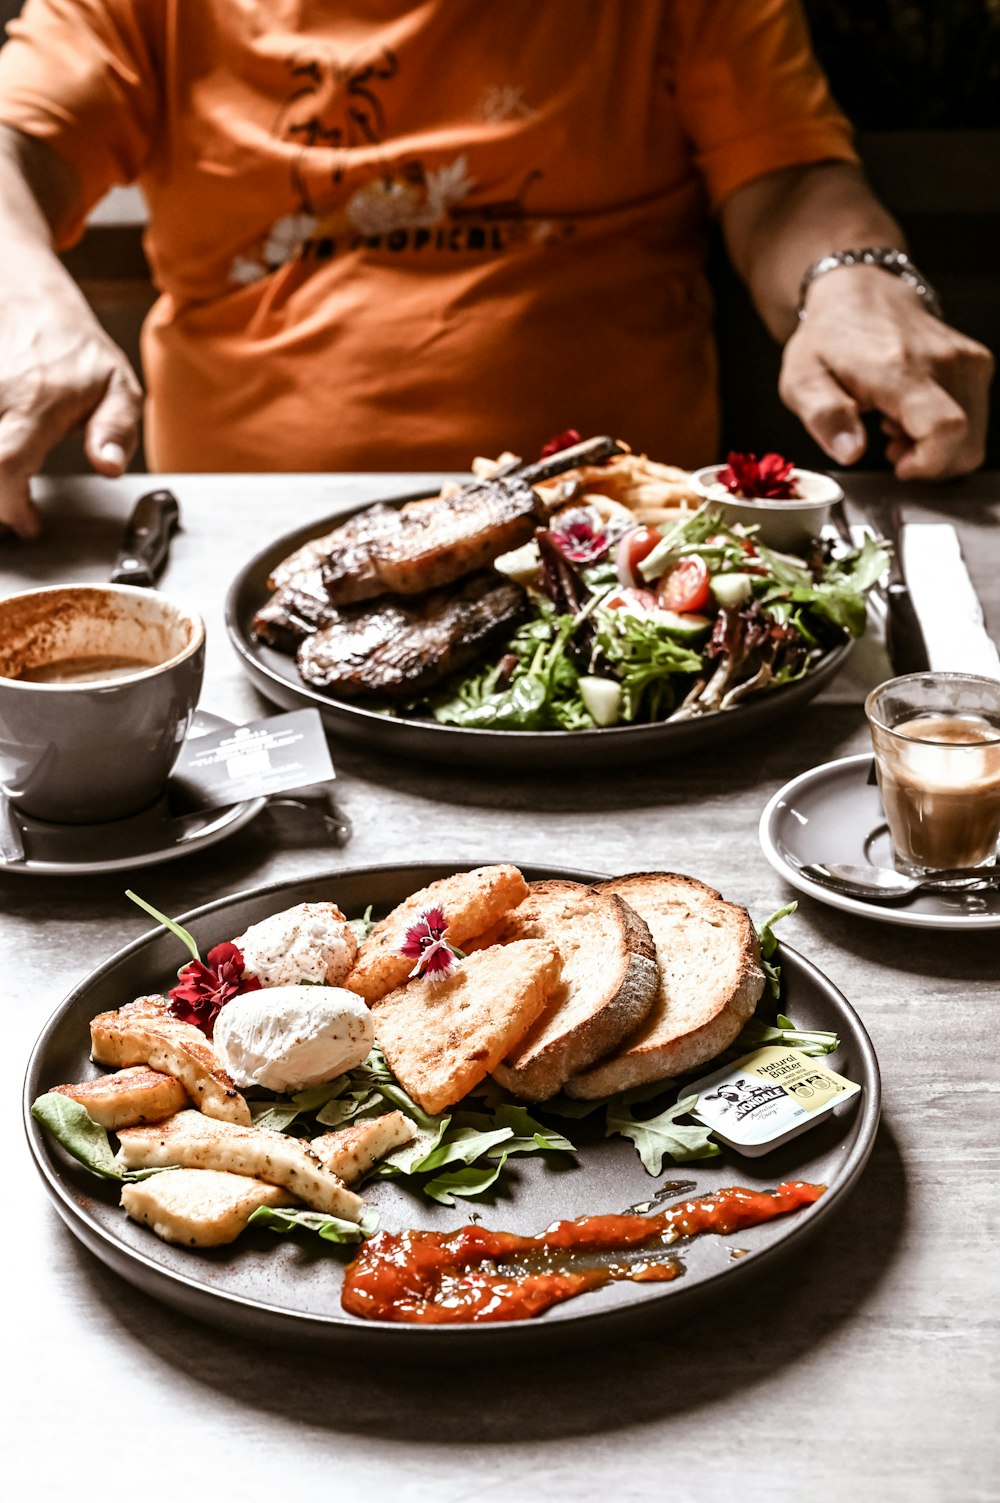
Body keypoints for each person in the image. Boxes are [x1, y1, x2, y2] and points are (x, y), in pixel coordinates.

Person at [0, 0, 992, 540]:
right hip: (235, 546)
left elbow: (785, 182)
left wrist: (852, 280)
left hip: (620, 543)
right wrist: (28, 293)